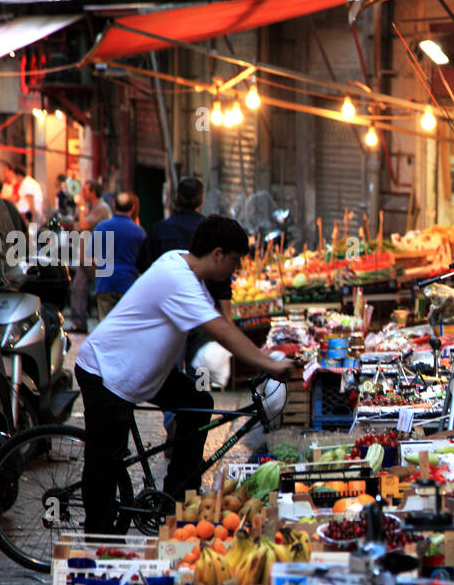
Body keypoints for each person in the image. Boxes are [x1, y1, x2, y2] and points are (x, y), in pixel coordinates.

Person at [74, 215, 294, 534]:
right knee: (106, 463)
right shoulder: (176, 277)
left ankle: (177, 503)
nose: (235, 270)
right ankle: (100, 542)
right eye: (234, 261)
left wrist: (260, 359)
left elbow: (223, 324)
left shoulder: (185, 269)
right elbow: (218, 329)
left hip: (145, 374)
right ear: (218, 254)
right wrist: (269, 364)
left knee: (197, 403)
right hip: (107, 371)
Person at [137, 176, 234, 350]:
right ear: (201, 199)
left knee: (170, 371)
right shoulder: (212, 232)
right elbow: (223, 282)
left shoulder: (158, 230)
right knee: (201, 370)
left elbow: (144, 271)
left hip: (168, 314)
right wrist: (227, 319)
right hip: (203, 316)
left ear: (176, 198)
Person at [92, 191, 147, 320]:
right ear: (132, 208)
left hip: (105, 282)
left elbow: (93, 256)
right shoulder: (139, 231)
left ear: (114, 205)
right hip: (128, 283)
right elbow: (143, 260)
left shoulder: (102, 227)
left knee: (105, 326)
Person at [67, 179, 111, 333]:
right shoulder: (94, 208)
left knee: (100, 290)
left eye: (85, 190)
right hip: (86, 256)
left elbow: (84, 225)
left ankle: (101, 323)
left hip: (94, 257)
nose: (82, 194)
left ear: (93, 192)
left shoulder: (101, 208)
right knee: (78, 288)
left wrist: (81, 208)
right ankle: (79, 322)